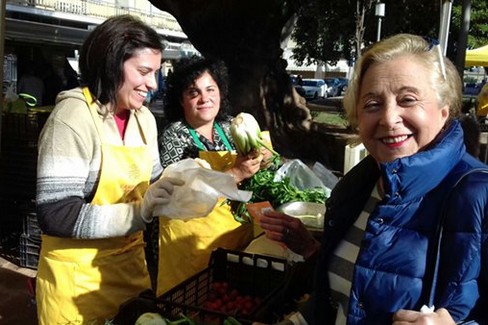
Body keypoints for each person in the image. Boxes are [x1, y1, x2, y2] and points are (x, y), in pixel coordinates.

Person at [258, 34, 488, 324]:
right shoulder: (354, 188)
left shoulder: (478, 194)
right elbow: (341, 300)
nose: (389, 118)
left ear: (444, 111)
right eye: (372, 104)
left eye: (407, 99)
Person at [35, 15, 184, 324]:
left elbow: (153, 182)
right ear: (111, 63)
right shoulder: (73, 117)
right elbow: (55, 213)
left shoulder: (144, 119)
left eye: (155, 73)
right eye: (143, 72)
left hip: (130, 273)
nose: (153, 84)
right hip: (77, 283)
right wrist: (139, 213)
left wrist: (188, 181)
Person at [154, 55, 273, 295]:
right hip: (190, 245)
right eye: (193, 92)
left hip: (234, 240)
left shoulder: (231, 128)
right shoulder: (175, 136)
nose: (204, 98)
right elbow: (181, 197)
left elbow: (260, 174)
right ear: (181, 99)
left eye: (210, 89)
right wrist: (235, 173)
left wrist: (264, 159)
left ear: (221, 91)